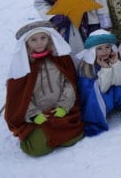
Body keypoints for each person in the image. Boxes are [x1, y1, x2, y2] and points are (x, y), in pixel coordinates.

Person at [5, 22, 84, 157]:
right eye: (33, 40)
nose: (39, 43)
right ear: (26, 42)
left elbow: (69, 84)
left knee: (72, 138)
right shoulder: (22, 66)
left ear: (49, 38)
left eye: (43, 38)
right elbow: (20, 97)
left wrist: (64, 106)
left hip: (61, 111)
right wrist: (34, 114)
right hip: (38, 116)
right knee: (38, 149)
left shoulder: (61, 58)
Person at [76, 30, 121, 136]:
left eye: (107, 47)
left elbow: (119, 82)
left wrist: (116, 64)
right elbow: (100, 89)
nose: (104, 51)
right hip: (100, 97)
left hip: (110, 93)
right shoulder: (87, 67)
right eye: (99, 48)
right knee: (98, 93)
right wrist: (106, 69)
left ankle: (118, 106)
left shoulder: (111, 59)